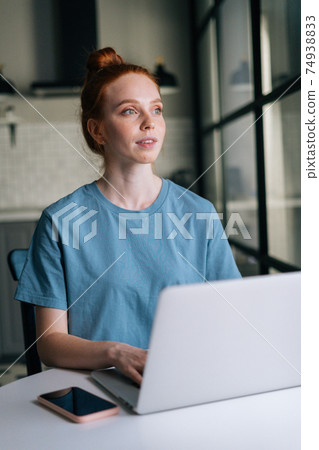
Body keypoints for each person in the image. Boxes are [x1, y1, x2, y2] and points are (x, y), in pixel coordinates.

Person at [15, 47, 241, 385]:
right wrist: (116, 354)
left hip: (186, 383)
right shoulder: (60, 222)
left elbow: (233, 317)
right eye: (129, 111)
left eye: (157, 109)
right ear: (98, 130)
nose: (149, 121)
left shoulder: (199, 214)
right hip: (95, 388)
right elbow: (48, 344)